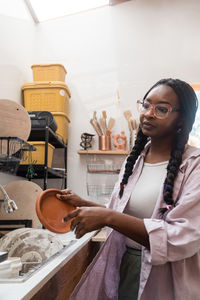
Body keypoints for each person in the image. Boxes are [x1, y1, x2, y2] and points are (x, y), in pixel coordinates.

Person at [56, 78, 200, 300]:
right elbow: (121, 213)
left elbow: (182, 236)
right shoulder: (135, 161)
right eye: (146, 105)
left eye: (161, 109)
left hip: (167, 275)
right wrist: (83, 203)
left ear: (181, 118)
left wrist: (108, 217)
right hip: (127, 265)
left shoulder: (194, 165)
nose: (149, 113)